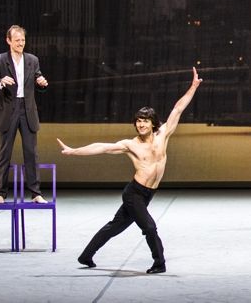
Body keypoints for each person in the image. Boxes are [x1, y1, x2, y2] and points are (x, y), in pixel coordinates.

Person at [57, 67, 202, 274]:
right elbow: (102, 147)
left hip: (148, 194)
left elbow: (177, 109)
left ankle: (86, 255)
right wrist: (73, 151)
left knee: (114, 227)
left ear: (153, 124)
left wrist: (193, 87)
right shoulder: (130, 144)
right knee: (149, 228)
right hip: (134, 193)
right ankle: (159, 263)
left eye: (145, 121)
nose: (141, 125)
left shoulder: (163, 135)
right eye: (138, 121)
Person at [0, 25, 49, 204]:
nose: (21, 43)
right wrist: (0, 81)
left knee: (31, 153)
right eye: (17, 40)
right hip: (7, 110)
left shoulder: (32, 60)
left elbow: (37, 78)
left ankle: (35, 193)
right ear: (9, 41)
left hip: (27, 110)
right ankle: (0, 193)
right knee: (4, 153)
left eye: (23, 40)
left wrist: (41, 82)